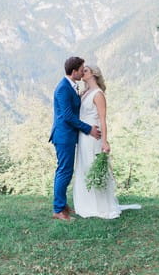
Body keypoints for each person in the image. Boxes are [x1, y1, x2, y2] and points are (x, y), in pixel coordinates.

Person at [72, 65, 140, 219]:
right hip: (83, 135)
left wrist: (105, 142)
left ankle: (101, 205)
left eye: (86, 70)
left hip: (93, 136)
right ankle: (86, 204)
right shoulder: (84, 93)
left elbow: (102, 119)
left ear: (94, 74)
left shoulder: (98, 94)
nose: (83, 72)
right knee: (83, 168)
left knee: (92, 167)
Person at [49, 57, 101, 221]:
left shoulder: (71, 86)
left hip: (69, 135)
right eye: (81, 69)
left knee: (66, 170)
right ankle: (58, 209)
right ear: (74, 71)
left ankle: (62, 205)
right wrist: (89, 129)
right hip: (64, 136)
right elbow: (68, 117)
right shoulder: (63, 88)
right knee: (64, 171)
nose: (82, 71)